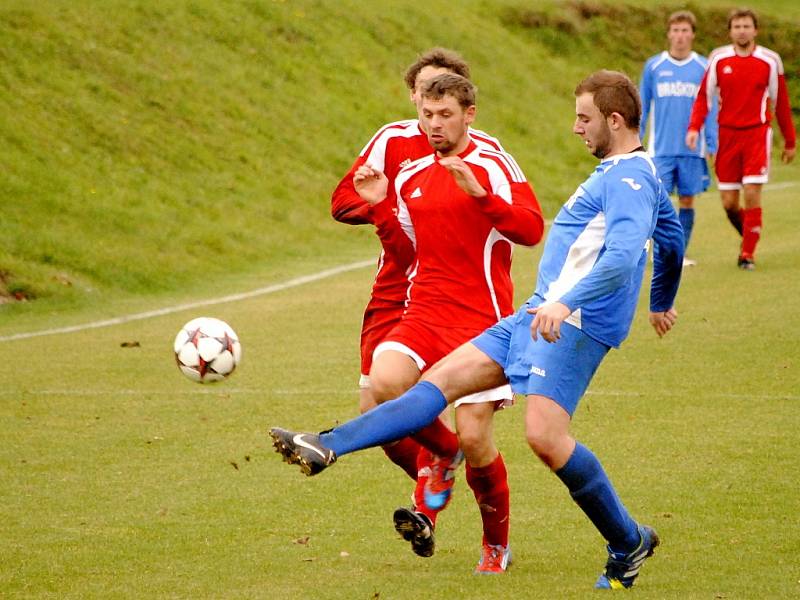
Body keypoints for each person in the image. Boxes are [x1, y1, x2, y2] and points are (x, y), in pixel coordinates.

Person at [270, 70, 685, 589]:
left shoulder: (625, 179)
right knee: (435, 385)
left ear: (615, 120)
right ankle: (326, 443)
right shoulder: (631, 172)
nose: (576, 128)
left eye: (584, 118)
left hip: (571, 324)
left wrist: (566, 302)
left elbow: (624, 256)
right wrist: (661, 301)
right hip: (534, 316)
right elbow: (670, 236)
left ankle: (628, 541)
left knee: (544, 438)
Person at [331, 51, 543, 570]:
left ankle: (495, 545)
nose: (433, 125)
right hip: (424, 311)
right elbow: (405, 254)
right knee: (382, 385)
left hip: (483, 320)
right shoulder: (410, 173)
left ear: (468, 111)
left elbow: (532, 229)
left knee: (476, 436)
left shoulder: (494, 162)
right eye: (427, 115)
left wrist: (479, 196)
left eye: (443, 113)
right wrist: (380, 205)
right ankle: (438, 458)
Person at [686, 8, 796, 270]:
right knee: (729, 203)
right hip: (727, 136)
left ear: (755, 30)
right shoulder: (719, 59)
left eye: (746, 26)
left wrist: (790, 141)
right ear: (730, 31)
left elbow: (781, 103)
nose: (742, 30)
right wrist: (694, 128)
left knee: (752, 192)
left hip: (757, 134)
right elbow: (704, 97)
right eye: (737, 26)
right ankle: (750, 233)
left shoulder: (770, 61)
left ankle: (747, 254)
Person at [640, 10, 717, 266]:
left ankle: (678, 253)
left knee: (687, 199)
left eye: (685, 31)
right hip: (660, 148)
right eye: (675, 30)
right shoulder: (654, 66)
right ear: (668, 34)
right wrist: (635, 139)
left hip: (692, 150)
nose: (680, 36)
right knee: (658, 200)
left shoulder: (703, 66)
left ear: (693, 35)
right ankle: (661, 249)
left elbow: (711, 107)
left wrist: (713, 142)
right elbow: (643, 105)